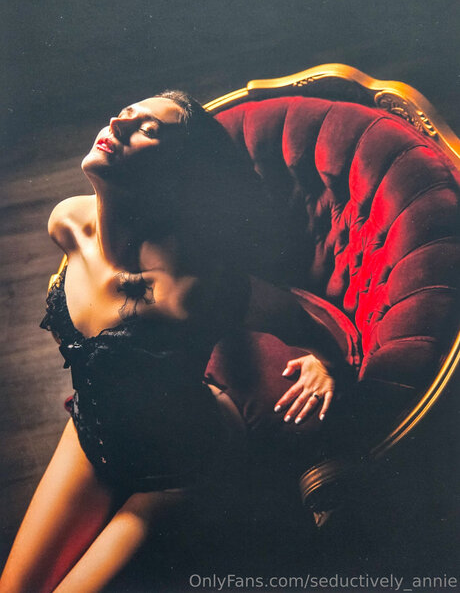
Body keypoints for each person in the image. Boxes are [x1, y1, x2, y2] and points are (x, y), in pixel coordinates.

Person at [0, 91, 357, 593]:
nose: (119, 121)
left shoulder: (188, 290)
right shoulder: (67, 223)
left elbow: (299, 319)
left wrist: (324, 362)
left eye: (148, 129)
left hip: (181, 468)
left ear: (174, 177)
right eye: (127, 112)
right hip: (93, 434)